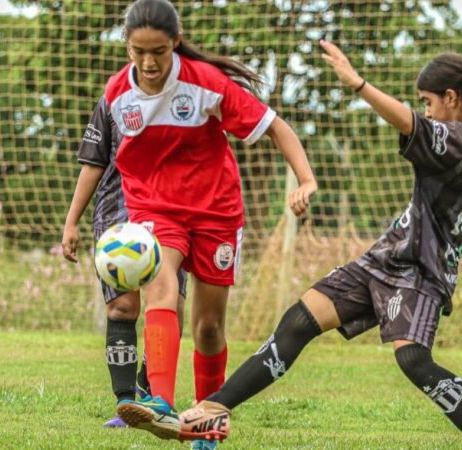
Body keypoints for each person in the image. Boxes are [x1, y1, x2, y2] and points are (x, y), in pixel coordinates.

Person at [176, 40, 462, 450]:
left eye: (429, 101)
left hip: (420, 267)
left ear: (452, 98)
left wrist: (358, 84)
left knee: (414, 360)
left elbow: (411, 123)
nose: (427, 109)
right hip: (389, 255)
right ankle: (213, 408)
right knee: (299, 319)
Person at [111, 0, 318, 446]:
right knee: (162, 287)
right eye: (138, 51)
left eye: (159, 52)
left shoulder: (206, 85)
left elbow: (276, 126)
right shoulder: (116, 95)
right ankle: (160, 405)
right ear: (127, 48)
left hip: (215, 211)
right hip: (156, 209)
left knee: (209, 327)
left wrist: (305, 179)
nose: (148, 63)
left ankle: (206, 422)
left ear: (176, 45)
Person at [61, 104, 187, 428]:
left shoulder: (185, 96)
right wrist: (71, 221)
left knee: (172, 303)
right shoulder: (113, 100)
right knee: (122, 307)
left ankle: (151, 396)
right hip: (117, 215)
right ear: (131, 50)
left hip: (170, 212)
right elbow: (93, 163)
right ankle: (126, 403)